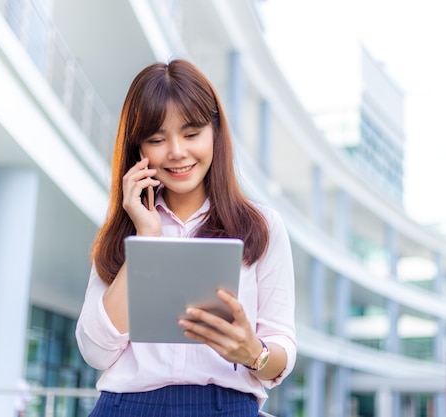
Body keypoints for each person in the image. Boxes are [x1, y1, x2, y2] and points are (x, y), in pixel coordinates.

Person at [75, 59, 297, 416]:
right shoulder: (124, 232)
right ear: (139, 149)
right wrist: (146, 238)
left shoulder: (262, 227)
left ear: (215, 133)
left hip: (225, 405)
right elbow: (95, 351)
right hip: (127, 406)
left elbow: (281, 345)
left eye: (191, 134)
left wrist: (254, 353)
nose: (177, 152)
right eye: (157, 139)